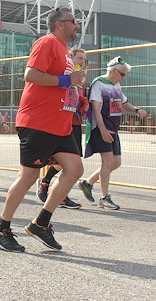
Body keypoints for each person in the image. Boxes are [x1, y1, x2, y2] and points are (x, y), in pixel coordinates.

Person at [0, 7, 86, 252]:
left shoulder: (65, 52)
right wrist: (67, 81)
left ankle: (41, 224)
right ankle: (1, 229)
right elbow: (30, 75)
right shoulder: (47, 42)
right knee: (29, 176)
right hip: (38, 123)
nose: (77, 26)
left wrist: (74, 95)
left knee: (75, 169)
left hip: (60, 125)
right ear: (59, 24)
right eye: (72, 22)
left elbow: (60, 85)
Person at [78, 56, 147, 210]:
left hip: (113, 129)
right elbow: (95, 108)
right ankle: (104, 198)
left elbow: (123, 103)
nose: (123, 77)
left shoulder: (116, 85)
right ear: (113, 71)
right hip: (102, 129)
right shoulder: (99, 83)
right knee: (107, 162)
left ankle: (87, 183)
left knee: (116, 162)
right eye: (122, 74)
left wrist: (136, 110)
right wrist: (102, 130)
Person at [35, 46, 89, 209]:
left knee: (73, 159)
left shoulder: (81, 79)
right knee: (63, 160)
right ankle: (49, 187)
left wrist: (83, 103)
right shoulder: (65, 73)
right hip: (60, 122)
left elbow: (76, 96)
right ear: (71, 58)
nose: (82, 62)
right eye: (80, 59)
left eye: (84, 60)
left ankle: (50, 186)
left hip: (75, 122)